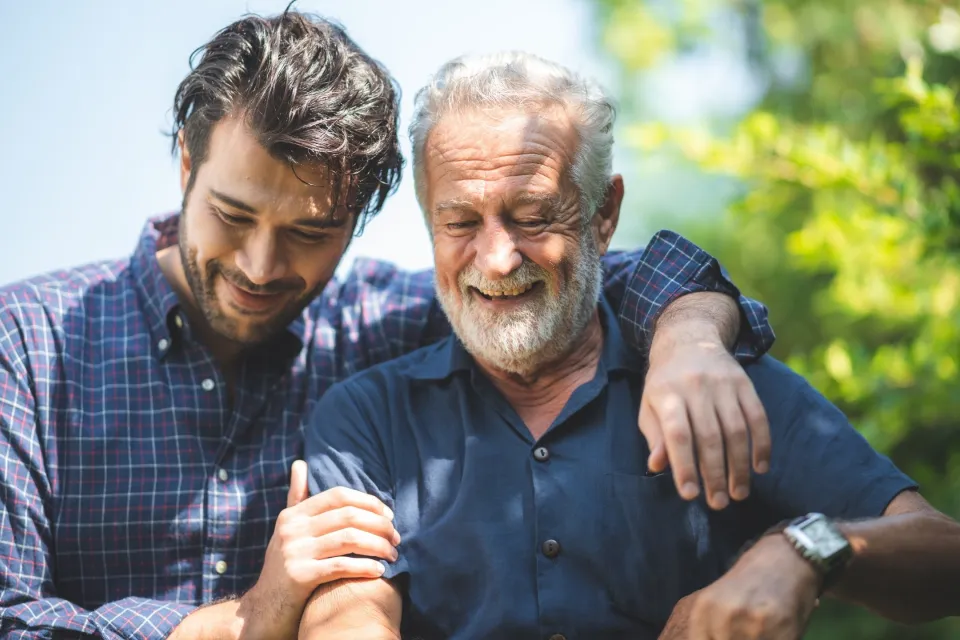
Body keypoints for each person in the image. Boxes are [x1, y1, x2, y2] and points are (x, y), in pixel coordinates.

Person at [0, 10, 777, 640]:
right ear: (184, 166)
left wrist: (687, 337)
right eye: (233, 217)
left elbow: (580, 275)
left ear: (361, 218)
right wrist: (247, 620)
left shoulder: (387, 325)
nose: (262, 266)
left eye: (310, 233)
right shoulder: (27, 347)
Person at [299, 51, 960, 640]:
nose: (496, 259)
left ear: (604, 214)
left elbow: (942, 554)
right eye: (460, 222)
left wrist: (804, 549)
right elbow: (347, 614)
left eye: (533, 217)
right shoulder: (366, 418)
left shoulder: (713, 381)